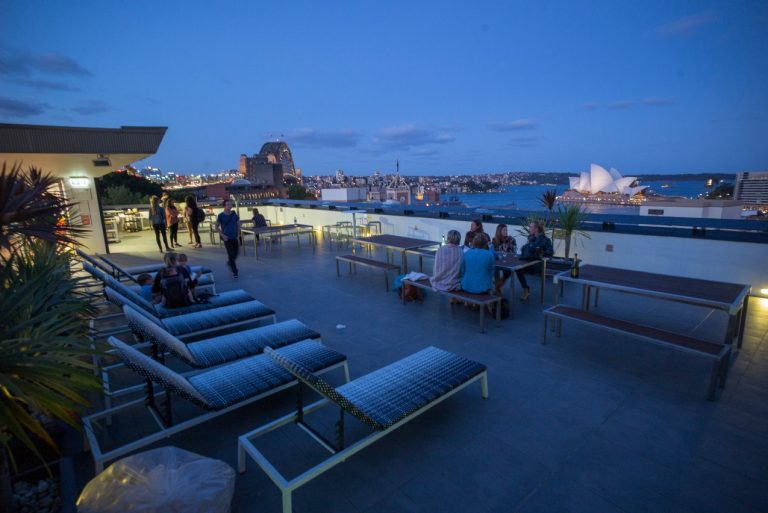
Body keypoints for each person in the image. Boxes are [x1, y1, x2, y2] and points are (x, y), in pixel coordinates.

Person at [515, 220, 554, 300]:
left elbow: (551, 252)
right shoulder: (531, 238)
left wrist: (541, 252)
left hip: (537, 264)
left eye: (531, 227)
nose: (529, 228)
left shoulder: (546, 240)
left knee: (518, 268)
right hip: (527, 261)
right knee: (517, 268)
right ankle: (525, 288)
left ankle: (525, 289)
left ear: (536, 229)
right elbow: (526, 250)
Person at [216, 198, 240, 278]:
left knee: (235, 254)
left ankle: (230, 262)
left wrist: (238, 235)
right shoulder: (221, 216)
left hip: (234, 237)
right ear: (224, 206)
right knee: (231, 254)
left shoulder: (234, 215)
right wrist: (222, 235)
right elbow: (216, 227)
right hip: (227, 238)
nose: (230, 206)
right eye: (228, 204)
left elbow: (238, 225)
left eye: (230, 204)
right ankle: (235, 271)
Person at [492, 224, 518, 295]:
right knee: (495, 268)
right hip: (498, 260)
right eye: (504, 230)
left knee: (509, 270)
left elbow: (514, 251)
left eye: (506, 230)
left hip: (508, 260)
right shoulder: (494, 240)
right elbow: (494, 251)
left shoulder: (511, 239)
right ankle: (498, 287)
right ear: (499, 231)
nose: (506, 231)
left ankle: (499, 285)